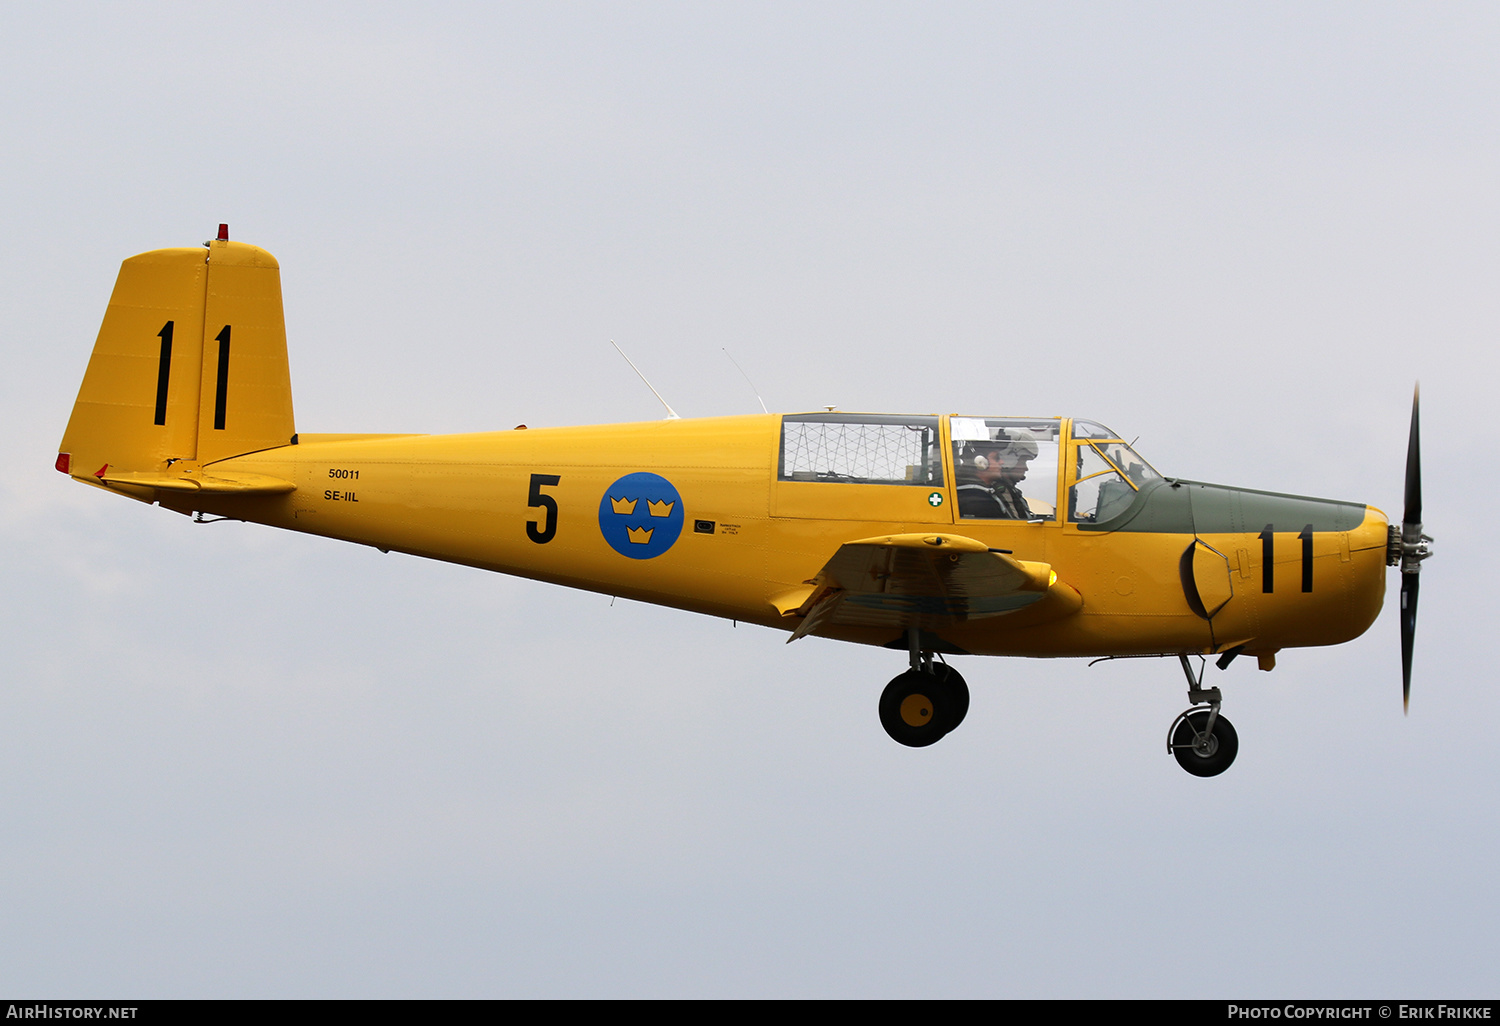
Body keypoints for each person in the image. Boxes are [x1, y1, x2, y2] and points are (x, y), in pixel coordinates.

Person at [956, 429, 1039, 519]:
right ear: (981, 463)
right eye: (996, 458)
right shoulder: (976, 499)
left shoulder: (992, 492)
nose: (1002, 462)